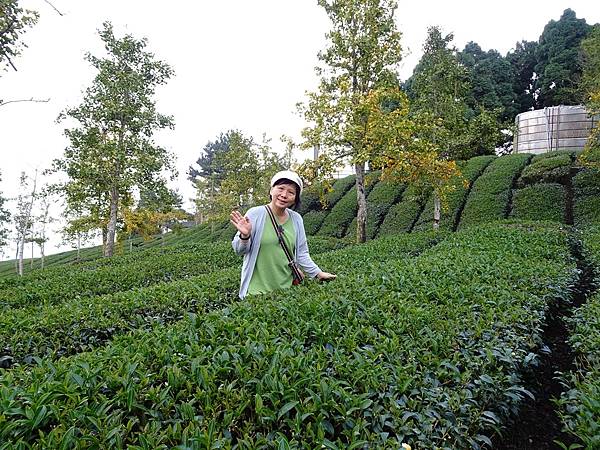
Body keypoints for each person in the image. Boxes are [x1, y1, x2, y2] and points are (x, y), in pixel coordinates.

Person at [230, 170, 336, 298]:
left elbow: (302, 253)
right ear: (271, 190)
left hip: (287, 291)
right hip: (255, 292)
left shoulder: (296, 219)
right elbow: (239, 251)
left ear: (295, 199)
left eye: (291, 192)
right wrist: (245, 236)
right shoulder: (255, 214)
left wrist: (318, 273)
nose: (284, 195)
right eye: (280, 188)